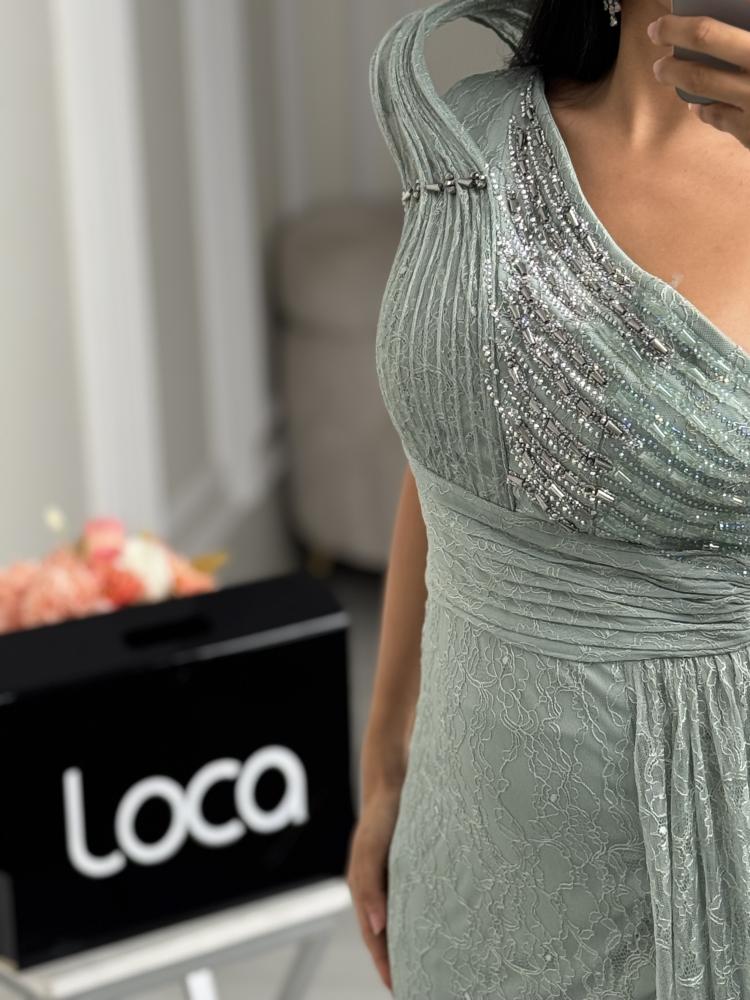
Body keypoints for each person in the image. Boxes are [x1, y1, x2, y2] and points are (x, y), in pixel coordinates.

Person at [346, 0, 750, 997]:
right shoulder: (478, 129)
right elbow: (455, 456)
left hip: (708, 852)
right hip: (465, 853)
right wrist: (387, 760)